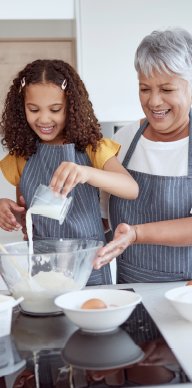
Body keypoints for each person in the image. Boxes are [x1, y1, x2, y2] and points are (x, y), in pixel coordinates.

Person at [0, 59, 139, 285]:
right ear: (21, 108)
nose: (43, 119)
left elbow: (131, 188)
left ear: (71, 107)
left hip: (89, 268)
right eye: (33, 109)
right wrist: (5, 208)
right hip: (43, 270)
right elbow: (28, 220)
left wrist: (87, 173)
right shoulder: (21, 157)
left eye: (55, 109)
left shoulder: (93, 148)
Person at [95, 28, 192, 283]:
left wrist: (136, 233)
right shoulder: (122, 141)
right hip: (129, 294)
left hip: (186, 298)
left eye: (167, 89)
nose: (155, 102)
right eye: (145, 88)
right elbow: (103, 220)